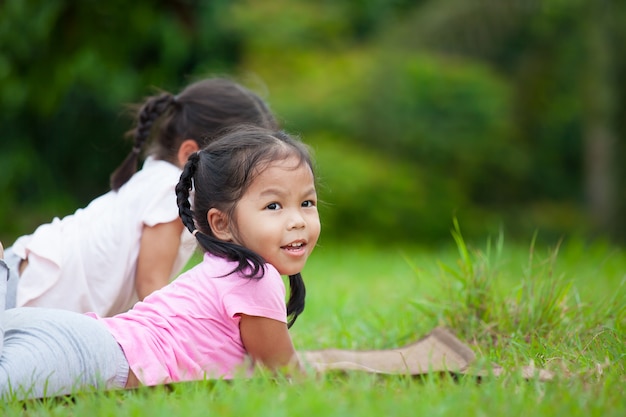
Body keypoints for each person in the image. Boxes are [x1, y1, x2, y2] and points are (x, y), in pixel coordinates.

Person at [0, 127, 320, 400]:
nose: (297, 221)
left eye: (307, 203)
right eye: (274, 205)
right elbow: (285, 372)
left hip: (80, 337)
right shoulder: (254, 276)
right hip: (97, 353)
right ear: (221, 224)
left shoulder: (224, 269)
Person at [4, 77, 279, 316]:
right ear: (189, 155)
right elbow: (151, 287)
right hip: (24, 291)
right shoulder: (169, 189)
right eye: (239, 168)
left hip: (28, 283)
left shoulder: (158, 181)